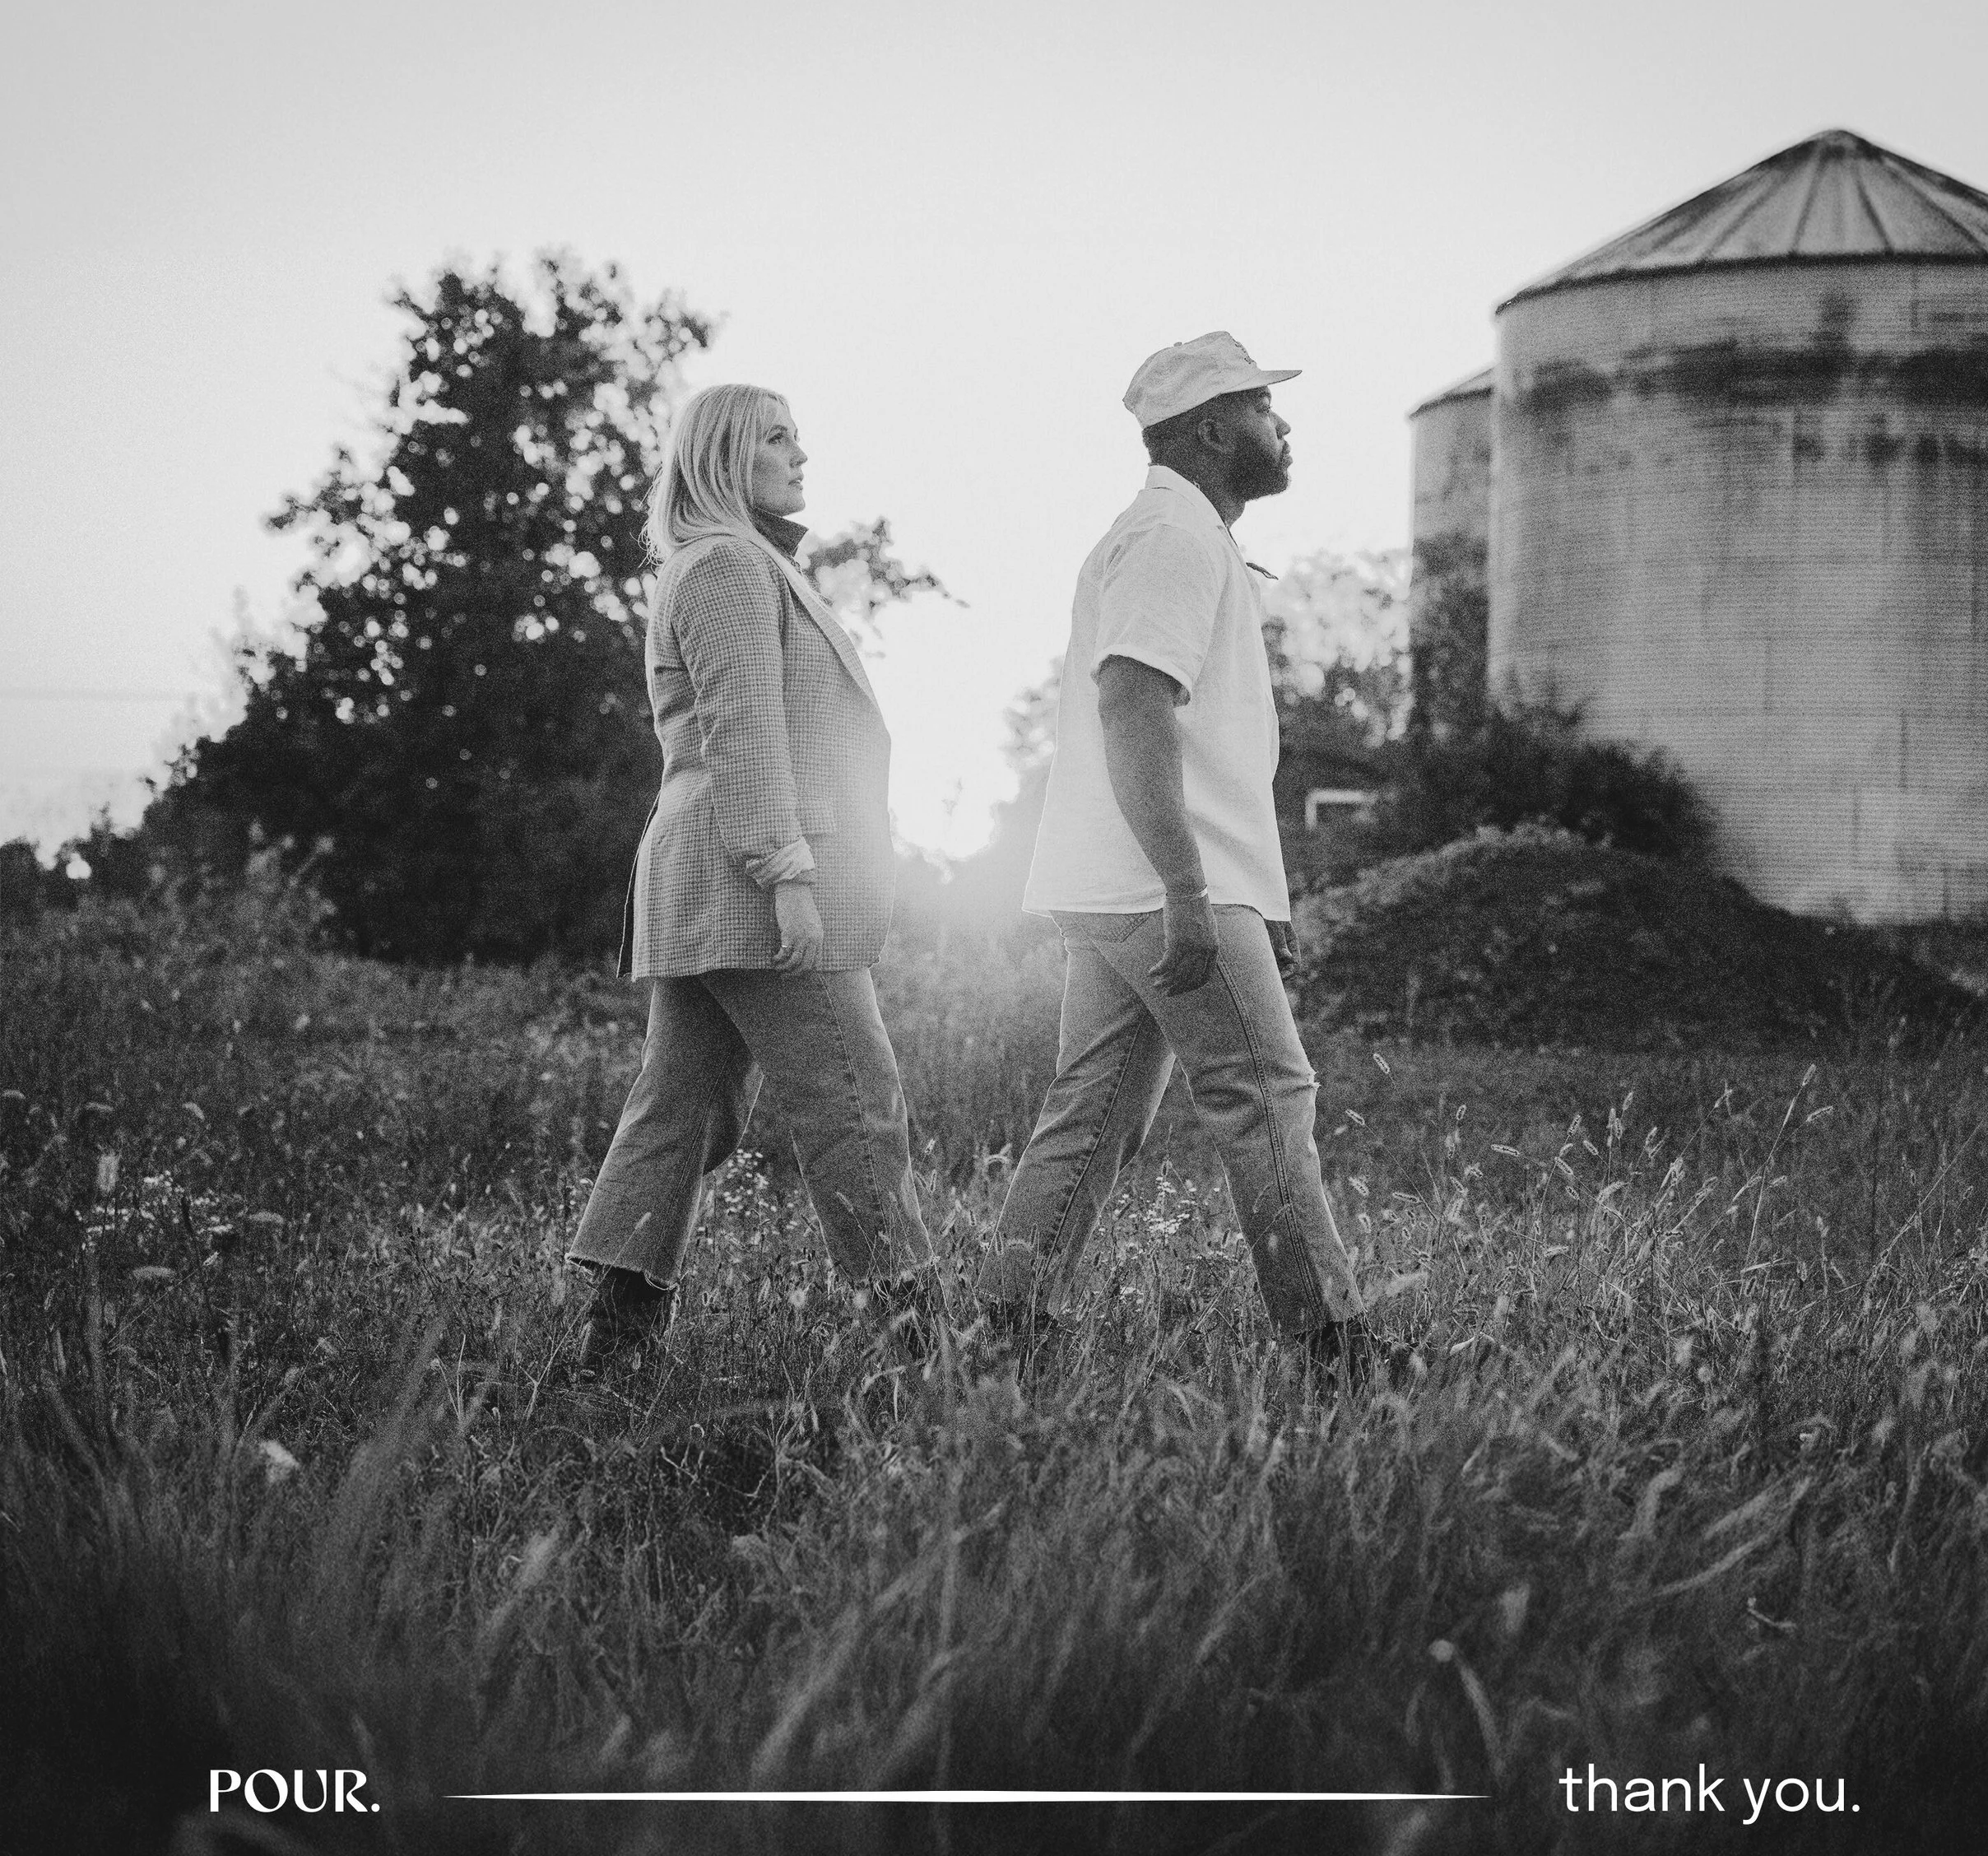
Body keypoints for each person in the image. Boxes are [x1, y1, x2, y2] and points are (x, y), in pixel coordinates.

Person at [975, 333, 1398, 1384]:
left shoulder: (1177, 532)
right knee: (1266, 1093)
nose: (1283, 425)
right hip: (1158, 882)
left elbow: (1200, 744)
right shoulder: (1172, 535)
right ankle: (1337, 1348)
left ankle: (1007, 1329)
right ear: (1214, 430)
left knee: (1098, 1105)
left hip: (1120, 880)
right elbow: (1132, 701)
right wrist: (1188, 889)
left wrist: (1253, 891)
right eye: (1264, 408)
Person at [568, 384, 935, 1372]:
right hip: (751, 877)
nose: (800, 456)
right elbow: (743, 729)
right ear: (728, 458)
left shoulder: (741, 564)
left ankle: (609, 1342)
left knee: (684, 1107)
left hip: (710, 875)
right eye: (778, 439)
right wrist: (786, 869)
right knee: (854, 1093)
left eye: (799, 437)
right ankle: (914, 1337)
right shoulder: (730, 565)